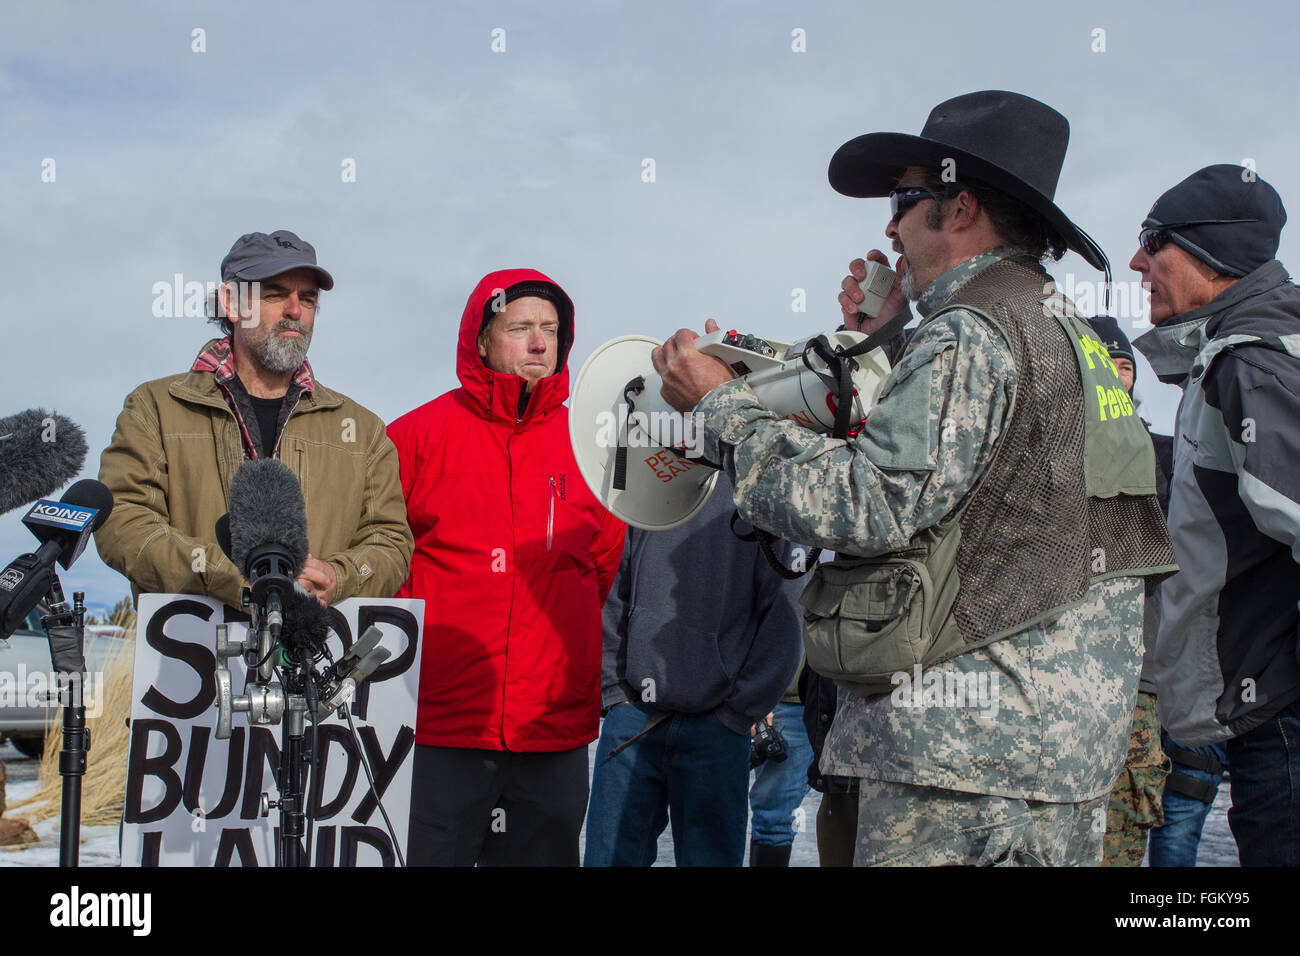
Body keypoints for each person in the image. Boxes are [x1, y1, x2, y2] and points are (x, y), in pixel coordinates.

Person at [652, 91, 1176, 866]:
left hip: (960, 766)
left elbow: (869, 503)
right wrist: (888, 340)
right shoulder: (1064, 330)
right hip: (1058, 758)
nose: (889, 225)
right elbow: (989, 492)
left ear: (959, 208)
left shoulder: (972, 335)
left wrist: (725, 406)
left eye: (904, 201)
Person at [388, 269, 625, 867]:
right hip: (439, 722)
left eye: (550, 329)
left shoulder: (591, 443)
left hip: (552, 725)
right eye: (520, 328)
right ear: (482, 338)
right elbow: (385, 563)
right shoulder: (414, 437)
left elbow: (602, 569)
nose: (539, 343)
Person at [96, 229, 413, 609]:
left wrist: (338, 577)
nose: (295, 310)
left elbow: (390, 542)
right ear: (231, 304)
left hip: (316, 660)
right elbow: (121, 521)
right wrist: (228, 577)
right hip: (193, 658)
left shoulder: (364, 431)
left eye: (307, 299)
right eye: (276, 294)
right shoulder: (154, 408)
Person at [1132, 165, 1300, 867]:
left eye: (1154, 241)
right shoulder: (1248, 354)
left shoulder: (1249, 364)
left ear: (1211, 254)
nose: (1138, 261)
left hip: (1282, 717)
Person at [582, 472, 803, 867]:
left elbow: (785, 617)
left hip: (717, 731)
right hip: (632, 720)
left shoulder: (764, 487)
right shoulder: (648, 475)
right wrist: (615, 691)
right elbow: (613, 584)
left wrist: (738, 712)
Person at [1088, 316, 1173, 867]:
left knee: (1120, 835)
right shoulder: (1048, 449)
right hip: (1052, 679)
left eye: (1126, 368)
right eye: (1104, 368)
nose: (1119, 380)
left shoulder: (1165, 454)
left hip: (1135, 683)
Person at [747, 672, 814, 866]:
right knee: (773, 819)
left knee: (850, 806)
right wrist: (758, 698)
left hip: (860, 695)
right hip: (788, 699)